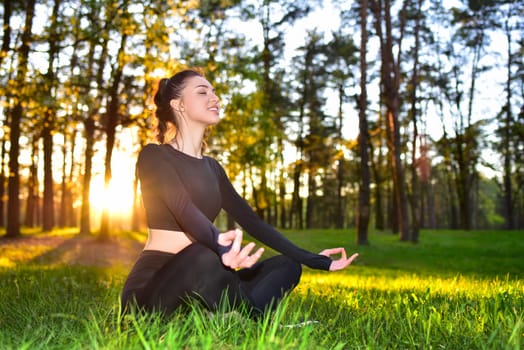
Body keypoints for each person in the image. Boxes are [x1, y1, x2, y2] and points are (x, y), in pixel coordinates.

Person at [121, 68, 359, 318]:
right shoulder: (154, 156)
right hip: (156, 285)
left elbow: (253, 222)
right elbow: (182, 208)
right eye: (203, 92)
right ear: (178, 105)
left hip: (212, 272)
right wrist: (221, 247)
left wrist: (314, 259)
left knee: (288, 266)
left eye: (214, 92)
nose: (215, 98)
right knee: (202, 255)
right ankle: (244, 317)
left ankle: (225, 315)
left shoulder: (213, 168)